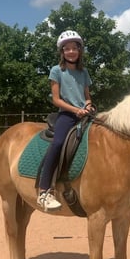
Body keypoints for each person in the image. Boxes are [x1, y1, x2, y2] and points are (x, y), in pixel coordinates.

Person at [37, 30, 94, 211]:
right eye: (67, 49)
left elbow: (87, 95)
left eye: (74, 48)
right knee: (58, 143)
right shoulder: (57, 71)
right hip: (67, 115)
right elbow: (56, 99)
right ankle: (44, 190)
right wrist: (75, 110)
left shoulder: (83, 71)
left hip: (85, 113)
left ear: (79, 50)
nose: (71, 52)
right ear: (62, 52)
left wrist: (88, 105)